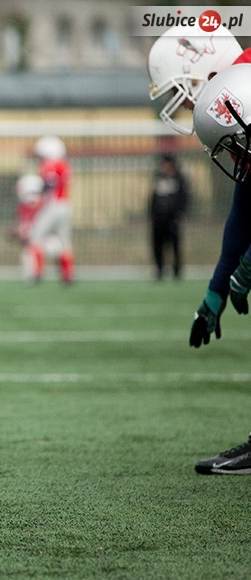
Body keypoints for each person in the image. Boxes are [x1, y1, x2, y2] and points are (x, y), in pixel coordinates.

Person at [146, 25, 251, 473]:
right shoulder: (240, 95)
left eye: (181, 92)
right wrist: (217, 288)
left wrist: (247, 267)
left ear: (204, 70)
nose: (184, 106)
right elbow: (246, 206)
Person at [27, 135, 74, 285]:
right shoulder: (65, 165)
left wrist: (36, 194)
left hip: (53, 206)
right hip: (65, 204)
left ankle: (37, 273)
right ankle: (67, 275)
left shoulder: (50, 165)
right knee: (65, 241)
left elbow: (49, 184)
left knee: (36, 237)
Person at [148, 153, 190, 281]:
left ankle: (177, 270)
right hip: (159, 219)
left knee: (175, 245)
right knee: (158, 245)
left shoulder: (179, 179)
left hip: (173, 218)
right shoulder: (158, 178)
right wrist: (152, 214)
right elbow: (153, 198)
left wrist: (180, 213)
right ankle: (159, 269)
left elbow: (184, 198)